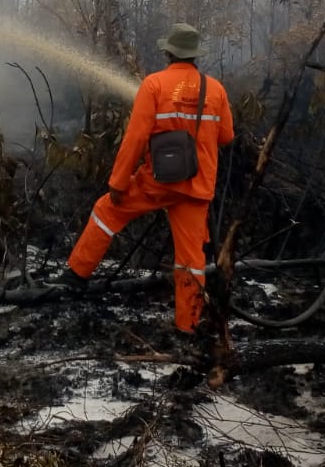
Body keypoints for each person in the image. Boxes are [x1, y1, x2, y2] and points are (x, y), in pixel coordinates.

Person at [48, 22, 235, 337]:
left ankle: (76, 275)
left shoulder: (154, 85)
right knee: (191, 260)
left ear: (168, 52)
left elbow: (134, 139)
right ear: (195, 56)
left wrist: (118, 183)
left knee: (107, 210)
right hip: (197, 187)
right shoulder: (215, 89)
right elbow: (227, 136)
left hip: (158, 182)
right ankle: (187, 326)